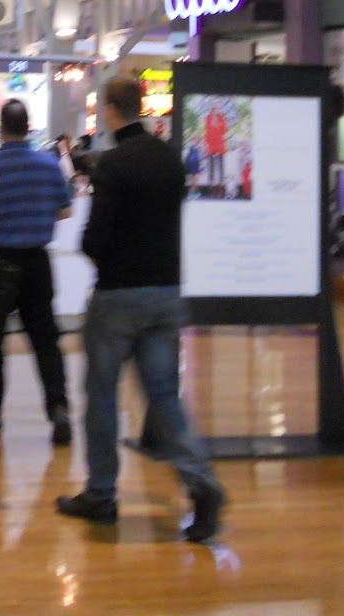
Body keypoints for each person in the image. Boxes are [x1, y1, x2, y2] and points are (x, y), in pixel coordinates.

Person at [57, 74, 227, 544]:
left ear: (111, 109)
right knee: (164, 396)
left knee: (102, 394)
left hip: (117, 296)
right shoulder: (170, 158)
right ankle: (202, 482)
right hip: (166, 292)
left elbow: (95, 239)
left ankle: (101, 493)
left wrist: (102, 257)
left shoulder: (112, 164)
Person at [0, 99, 74, 446]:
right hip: (38, 262)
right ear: (29, 127)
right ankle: (58, 407)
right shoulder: (49, 164)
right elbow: (66, 210)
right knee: (45, 338)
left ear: (1, 128)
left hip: (1, 263)